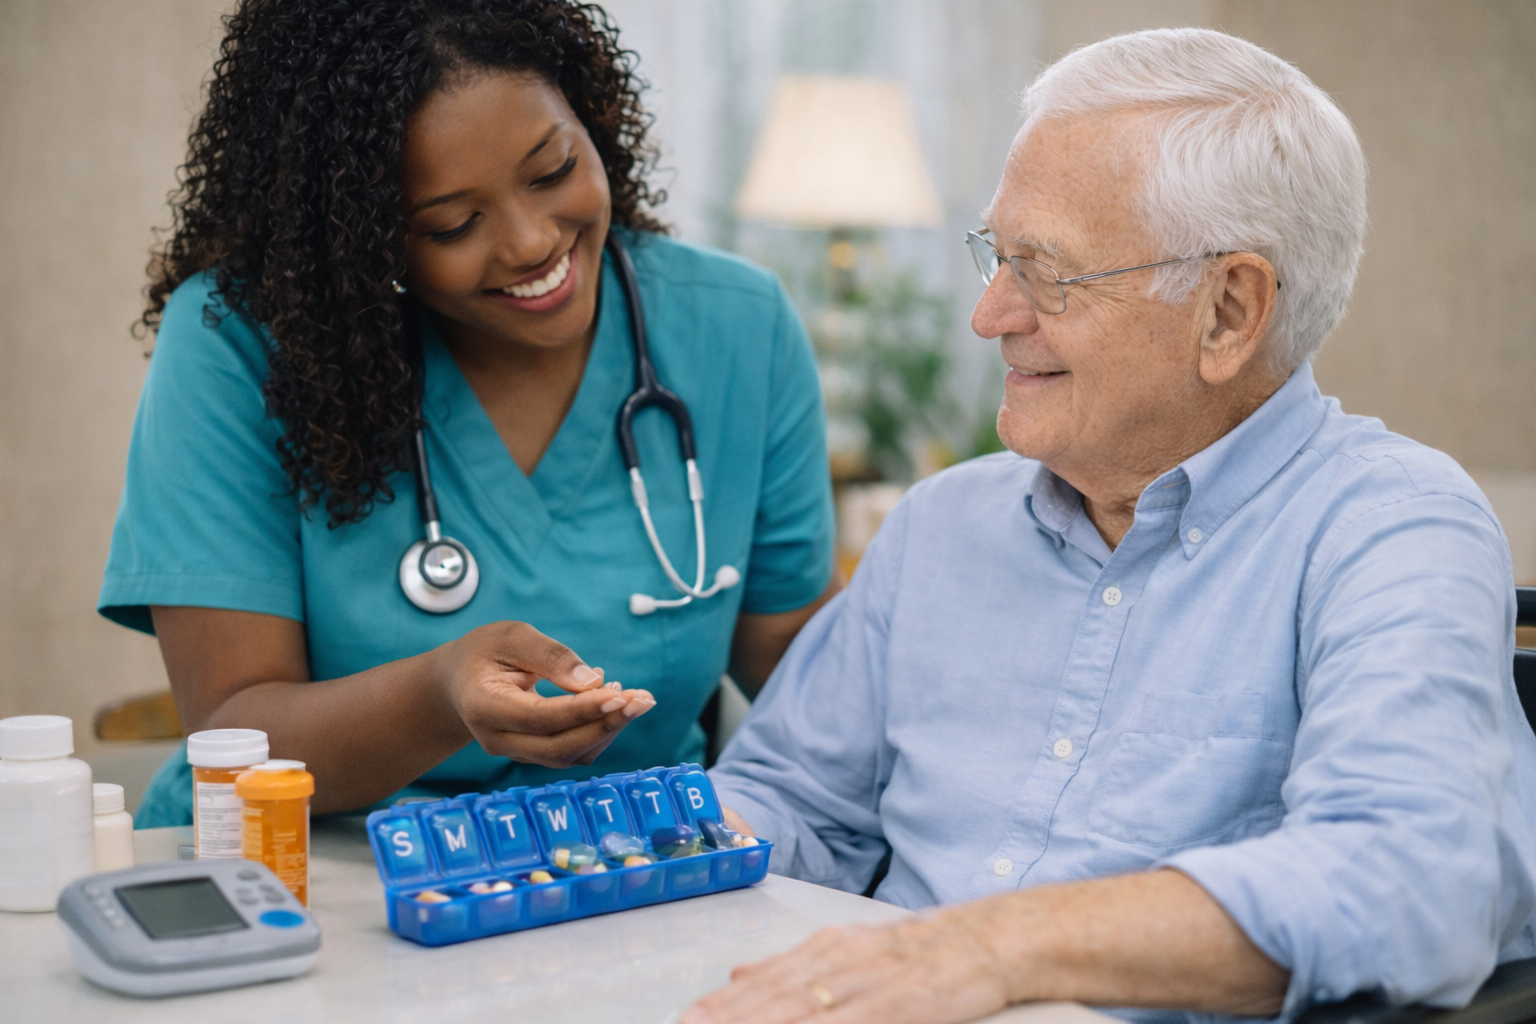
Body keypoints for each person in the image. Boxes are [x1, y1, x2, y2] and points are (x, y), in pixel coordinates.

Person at [690, 28, 1536, 1024]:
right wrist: (602, 842)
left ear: (1228, 310)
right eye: (995, 258)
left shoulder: (1392, 531)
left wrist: (987, 948)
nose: (991, 314)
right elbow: (793, 799)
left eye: (1047, 273)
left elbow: (1412, 884)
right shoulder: (941, 523)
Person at [98, 0, 836, 824]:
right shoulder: (240, 346)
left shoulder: (736, 323)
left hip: (619, 878)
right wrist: (440, 697)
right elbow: (230, 735)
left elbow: (803, 671)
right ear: (362, 238)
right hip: (309, 881)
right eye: (452, 223)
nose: (529, 243)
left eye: (553, 171)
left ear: (595, 118)